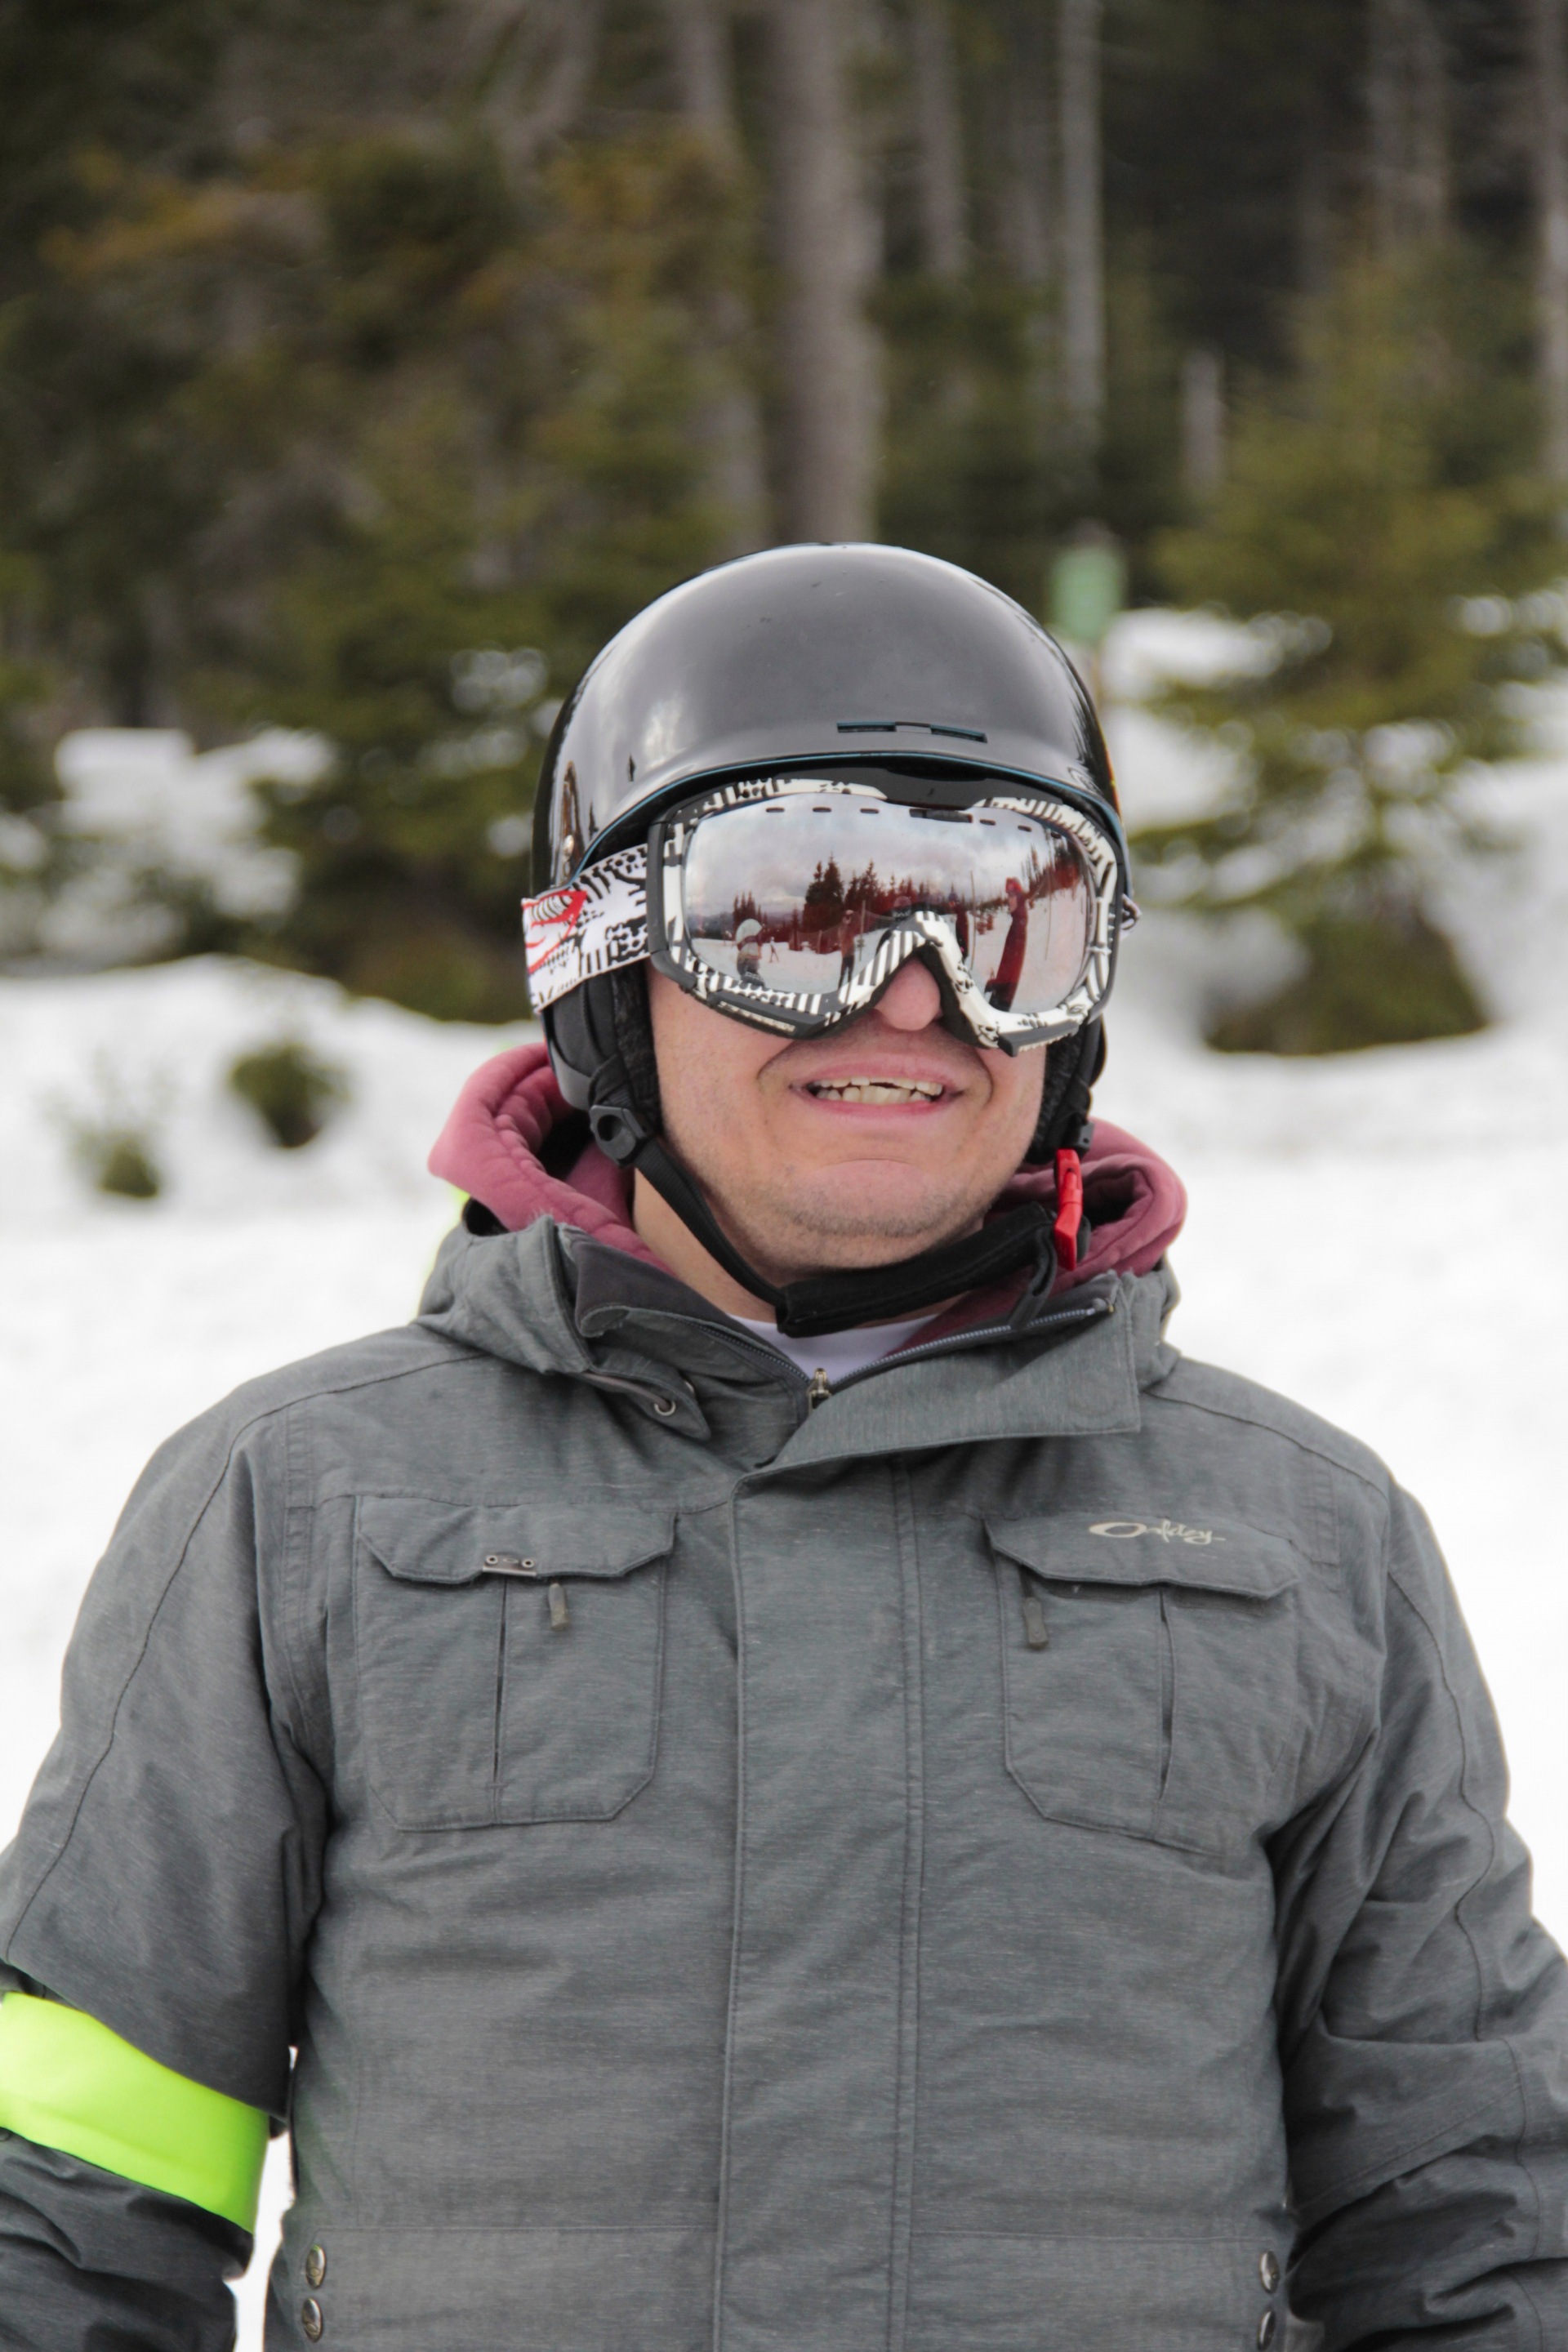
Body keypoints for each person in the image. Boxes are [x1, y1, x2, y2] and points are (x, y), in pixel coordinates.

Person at [1, 543, 1564, 2352]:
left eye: (1006, 921)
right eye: (797, 917)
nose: (912, 1000)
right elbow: (69, 2201)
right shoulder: (301, 1502)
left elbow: (1476, 2219)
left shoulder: (1304, 1536)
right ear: (607, 967)